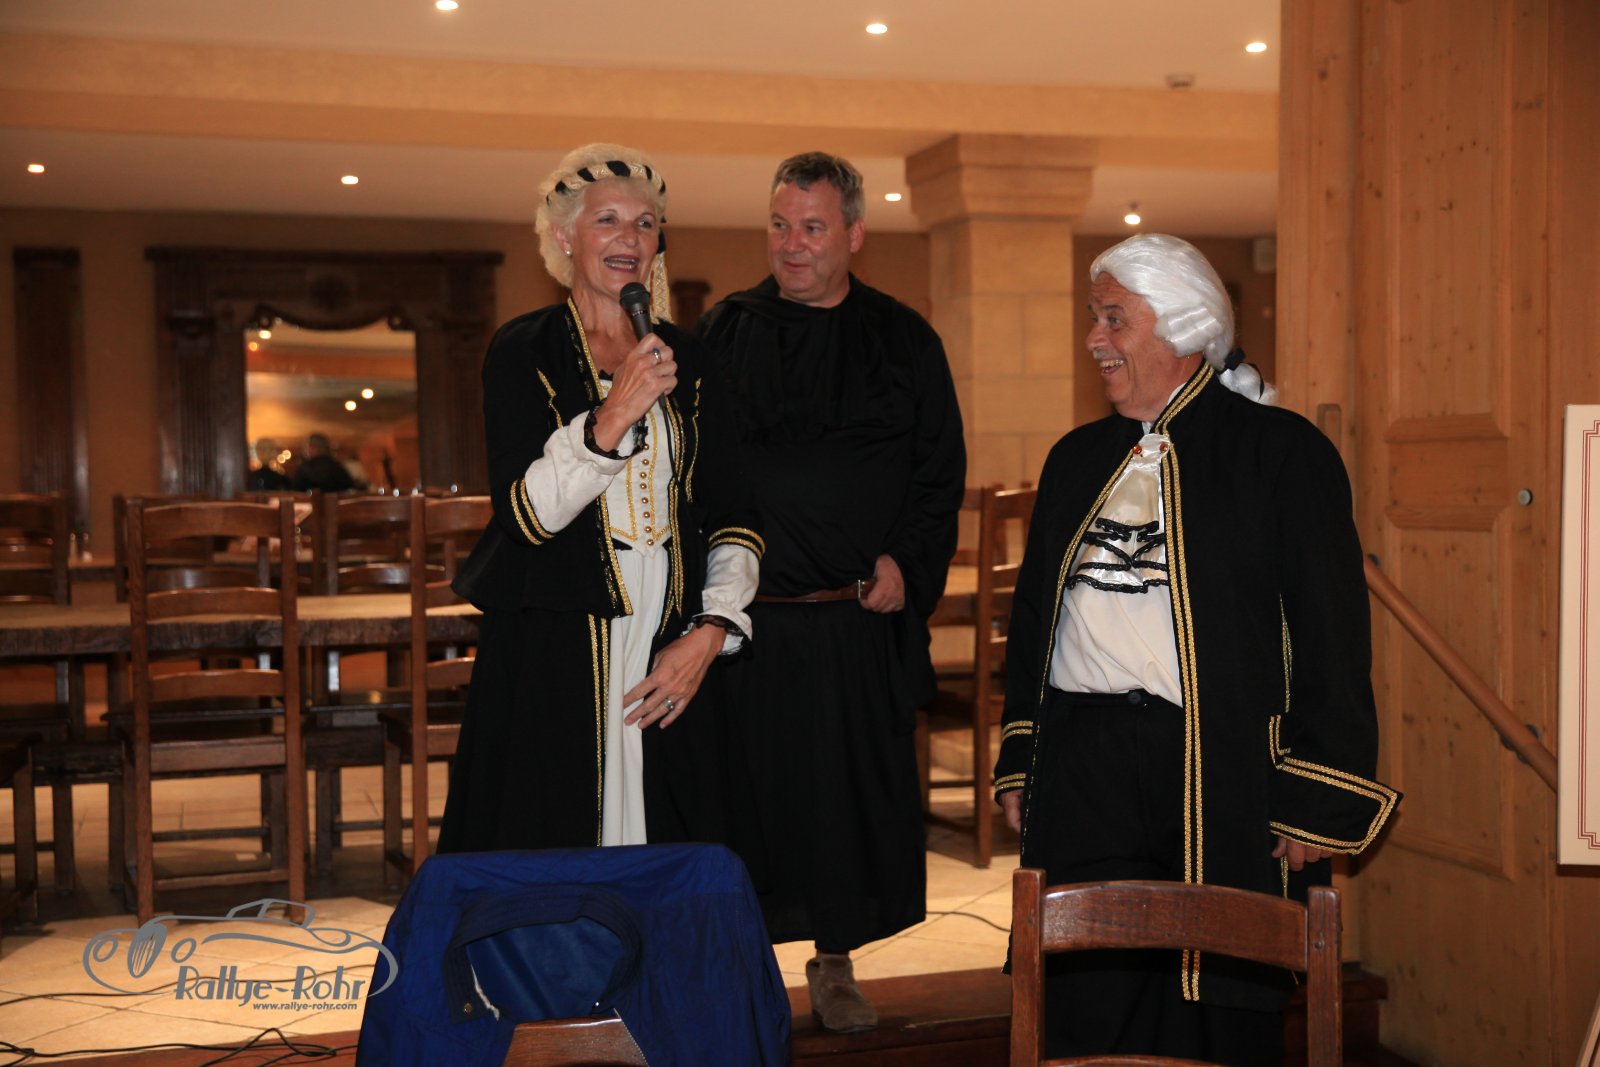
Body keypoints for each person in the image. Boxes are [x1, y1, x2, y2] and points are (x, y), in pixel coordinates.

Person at [993, 233, 1400, 1064]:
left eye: (1114, 318)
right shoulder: (1074, 460)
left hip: (1221, 771)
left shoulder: (1282, 453)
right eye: (1094, 317)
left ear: (1181, 326)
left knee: (1219, 999)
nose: (1094, 338)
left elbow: (1330, 630)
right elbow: (1035, 621)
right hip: (1083, 769)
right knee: (1085, 995)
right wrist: (1021, 755)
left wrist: (1318, 792)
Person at [696, 151, 966, 1033]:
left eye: (812, 227)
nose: (793, 244)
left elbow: (938, 476)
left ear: (854, 233)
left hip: (853, 619)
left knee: (842, 811)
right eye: (780, 225)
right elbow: (688, 471)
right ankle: (737, 973)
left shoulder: (903, 339)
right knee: (741, 807)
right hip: (746, 628)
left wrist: (907, 563)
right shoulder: (725, 331)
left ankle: (836, 961)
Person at [438, 143, 760, 853]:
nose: (629, 238)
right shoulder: (523, 350)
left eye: (645, 224)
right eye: (607, 220)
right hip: (556, 635)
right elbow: (527, 515)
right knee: (552, 834)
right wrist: (614, 413)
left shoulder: (691, 357)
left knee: (676, 837)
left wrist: (711, 629)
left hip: (673, 628)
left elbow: (733, 512)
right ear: (563, 237)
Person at [291, 432, 356, 492]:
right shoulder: (336, 467)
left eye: (306, 447)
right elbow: (349, 487)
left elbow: (295, 490)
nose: (305, 450)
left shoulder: (305, 468)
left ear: (313, 448)